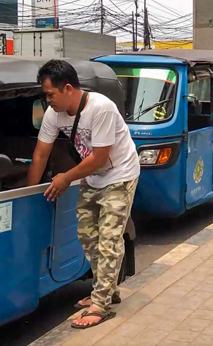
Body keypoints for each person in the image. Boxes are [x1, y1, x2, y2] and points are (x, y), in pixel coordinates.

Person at [26, 59, 140, 330]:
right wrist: (30, 192)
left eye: (51, 94)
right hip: (91, 176)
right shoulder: (54, 114)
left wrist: (66, 178)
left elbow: (100, 158)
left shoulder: (101, 108)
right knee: (88, 236)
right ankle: (107, 289)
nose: (48, 100)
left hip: (119, 176)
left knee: (109, 238)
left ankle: (100, 304)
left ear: (68, 89)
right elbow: (41, 152)